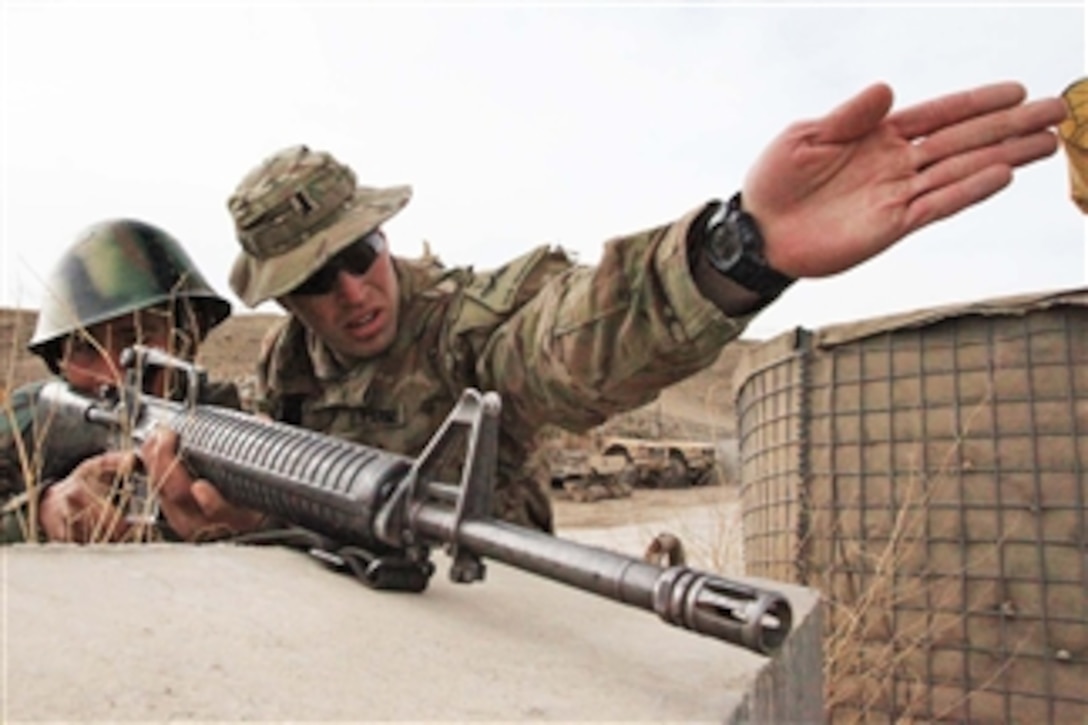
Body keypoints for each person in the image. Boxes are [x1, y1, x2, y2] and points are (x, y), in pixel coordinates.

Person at [150, 80, 1068, 536]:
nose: (352, 293)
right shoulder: (289, 370)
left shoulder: (463, 323)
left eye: (359, 255)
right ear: (286, 301)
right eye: (316, 282)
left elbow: (566, 345)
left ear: (383, 237)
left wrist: (738, 250)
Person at [0, 219, 263, 543]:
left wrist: (252, 531)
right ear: (60, 362)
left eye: (138, 339)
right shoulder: (29, 419)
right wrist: (39, 514)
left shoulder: (237, 439)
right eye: (84, 348)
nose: (114, 373)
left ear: (184, 342)